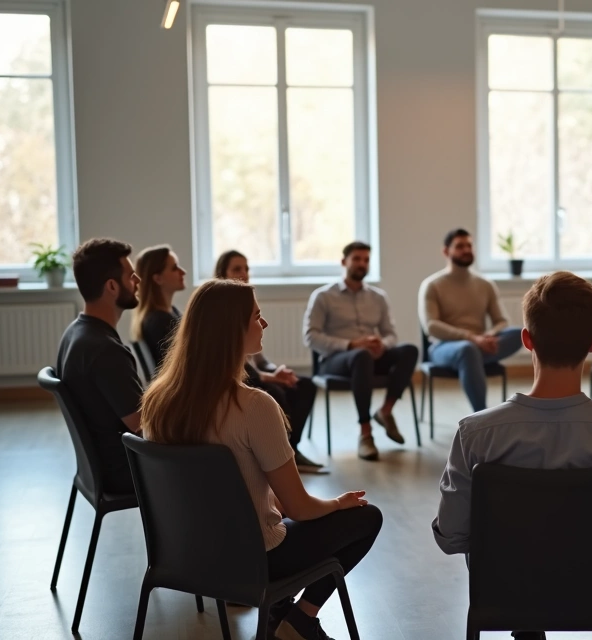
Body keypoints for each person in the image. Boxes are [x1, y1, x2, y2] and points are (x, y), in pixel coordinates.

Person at [432, 272, 592, 640]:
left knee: (490, 539)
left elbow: (452, 538)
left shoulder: (475, 434)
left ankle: (528, 626)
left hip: (511, 590)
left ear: (526, 340)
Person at [141, 279, 382, 640]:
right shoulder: (254, 406)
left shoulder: (157, 400)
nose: (264, 323)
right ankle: (300, 621)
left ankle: (279, 613)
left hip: (183, 555)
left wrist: (274, 505)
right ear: (232, 331)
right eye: (257, 316)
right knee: (366, 516)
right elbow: (300, 508)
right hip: (251, 561)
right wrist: (337, 503)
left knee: (277, 510)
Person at [304, 241, 419, 462]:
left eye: (366, 260)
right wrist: (351, 344)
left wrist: (381, 344)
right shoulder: (323, 296)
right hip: (336, 360)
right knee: (361, 355)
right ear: (344, 261)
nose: (362, 264)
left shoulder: (378, 297)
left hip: (369, 357)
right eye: (356, 259)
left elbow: (391, 334)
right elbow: (311, 336)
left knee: (409, 350)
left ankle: (385, 411)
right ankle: (366, 433)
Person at [216, 250, 323, 473]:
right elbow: (236, 364)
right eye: (237, 269)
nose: (244, 274)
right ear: (222, 273)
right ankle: (276, 456)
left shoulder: (245, 302)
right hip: (243, 379)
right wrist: (272, 378)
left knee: (305, 385)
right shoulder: (223, 309)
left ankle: (292, 449)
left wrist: (277, 370)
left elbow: (259, 359)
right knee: (276, 392)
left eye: (246, 268)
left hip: (257, 374)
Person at [55, 238, 145, 494]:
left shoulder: (75, 332)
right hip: (125, 471)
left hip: (98, 469)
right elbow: (143, 425)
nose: (138, 280)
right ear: (112, 286)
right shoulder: (105, 350)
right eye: (131, 275)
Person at [419, 228, 523, 412]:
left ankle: (472, 361)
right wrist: (472, 338)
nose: (466, 250)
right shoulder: (432, 285)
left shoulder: (485, 284)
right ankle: (481, 415)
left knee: (520, 334)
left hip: (480, 343)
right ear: (446, 251)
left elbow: (502, 321)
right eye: (460, 246)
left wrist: (488, 336)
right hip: (444, 347)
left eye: (469, 245)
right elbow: (431, 326)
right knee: (468, 350)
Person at [131, 244, 187, 370]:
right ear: (158, 278)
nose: (183, 272)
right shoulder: (159, 321)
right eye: (174, 268)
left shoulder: (170, 312)